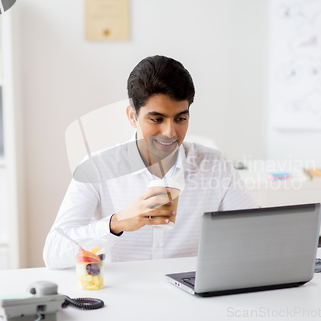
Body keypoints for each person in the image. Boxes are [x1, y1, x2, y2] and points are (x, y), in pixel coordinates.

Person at [43, 55, 257, 268]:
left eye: (181, 118)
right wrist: (117, 223)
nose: (170, 132)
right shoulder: (97, 167)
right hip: (124, 296)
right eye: (157, 119)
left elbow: (255, 232)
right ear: (132, 116)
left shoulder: (214, 165)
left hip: (193, 297)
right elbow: (53, 252)